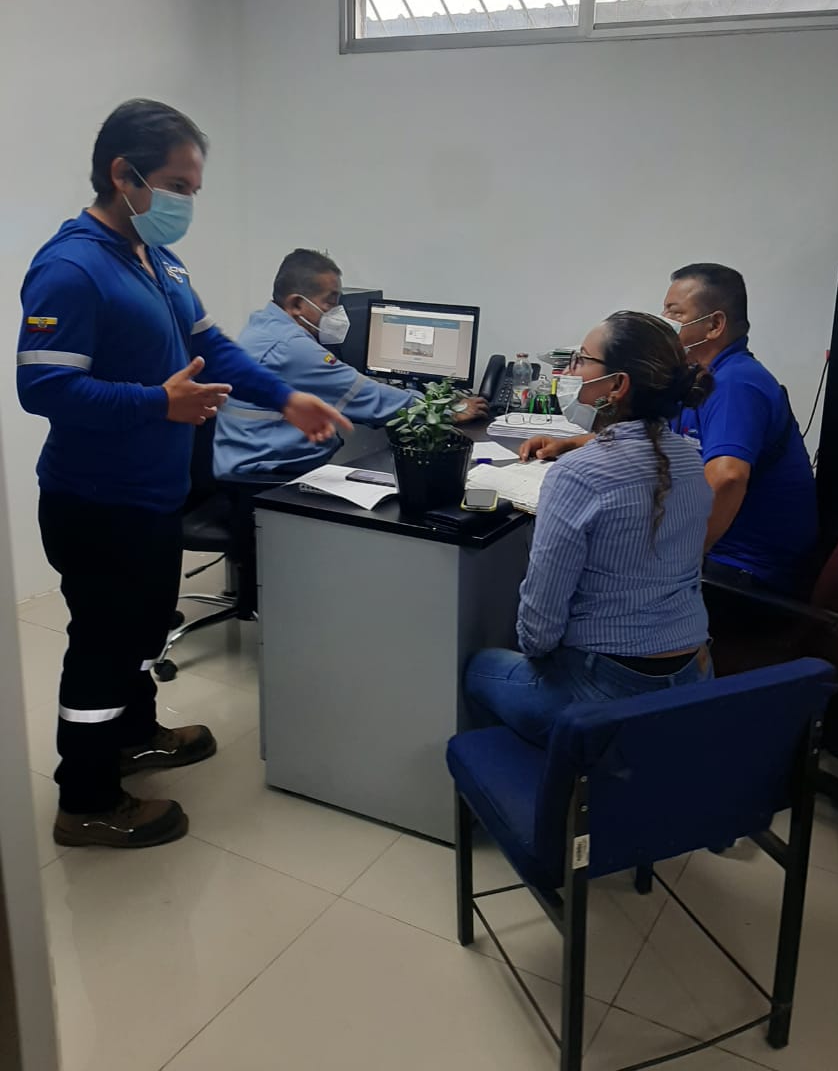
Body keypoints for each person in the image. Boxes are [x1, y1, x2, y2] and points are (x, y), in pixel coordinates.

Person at [16, 99, 350, 850]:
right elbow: (42, 387)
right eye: (176, 186)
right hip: (95, 501)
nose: (186, 204)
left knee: (141, 631)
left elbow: (214, 348)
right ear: (122, 174)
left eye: (194, 190)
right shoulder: (71, 268)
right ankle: (86, 800)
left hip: (153, 496)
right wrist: (156, 403)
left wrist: (286, 396)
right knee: (102, 648)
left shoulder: (158, 259)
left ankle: (134, 736)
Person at [464, 312, 715, 748]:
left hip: (604, 691)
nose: (570, 370)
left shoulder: (578, 475)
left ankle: (556, 776)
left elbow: (539, 634)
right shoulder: (692, 460)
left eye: (581, 360)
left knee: (478, 668)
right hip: (692, 678)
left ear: (617, 385)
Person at [520, 264, 818, 594]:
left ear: (714, 325)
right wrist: (572, 443)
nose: (664, 320)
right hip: (724, 554)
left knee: (579, 562)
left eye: (674, 312)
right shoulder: (698, 379)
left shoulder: (737, 383)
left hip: (742, 570)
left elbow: (728, 478)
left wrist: (677, 563)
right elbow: (657, 435)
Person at [213, 247, 487, 484]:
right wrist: (446, 410)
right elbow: (370, 398)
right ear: (296, 304)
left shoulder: (264, 324)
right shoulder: (289, 347)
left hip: (256, 465)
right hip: (268, 480)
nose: (337, 312)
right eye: (331, 302)